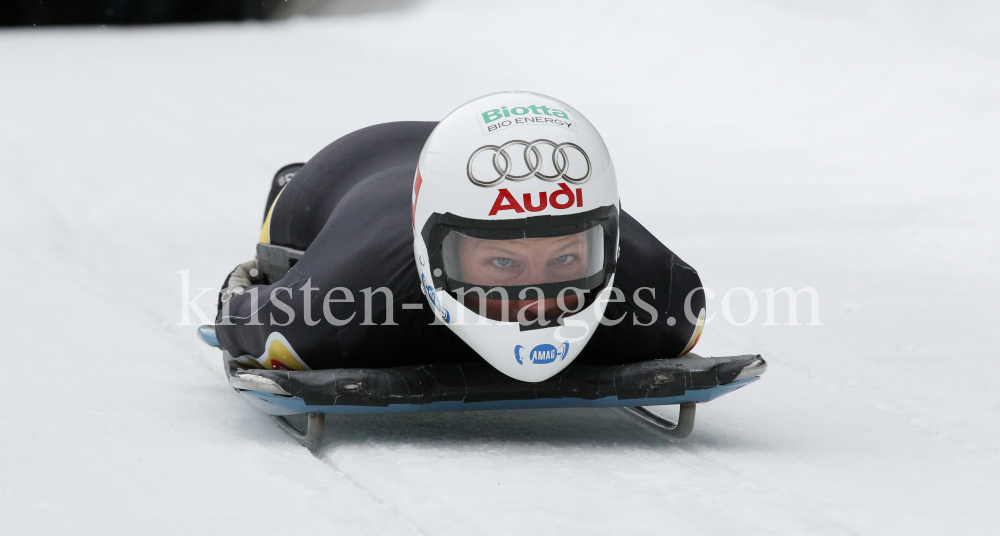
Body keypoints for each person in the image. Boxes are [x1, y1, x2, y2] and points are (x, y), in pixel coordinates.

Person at [215, 92, 705, 382]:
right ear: (436, 256)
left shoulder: (665, 298)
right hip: (343, 170)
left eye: (565, 259)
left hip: (481, 155)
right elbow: (238, 317)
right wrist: (257, 290)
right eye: (503, 263)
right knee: (287, 222)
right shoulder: (330, 312)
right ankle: (287, 187)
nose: (536, 303)